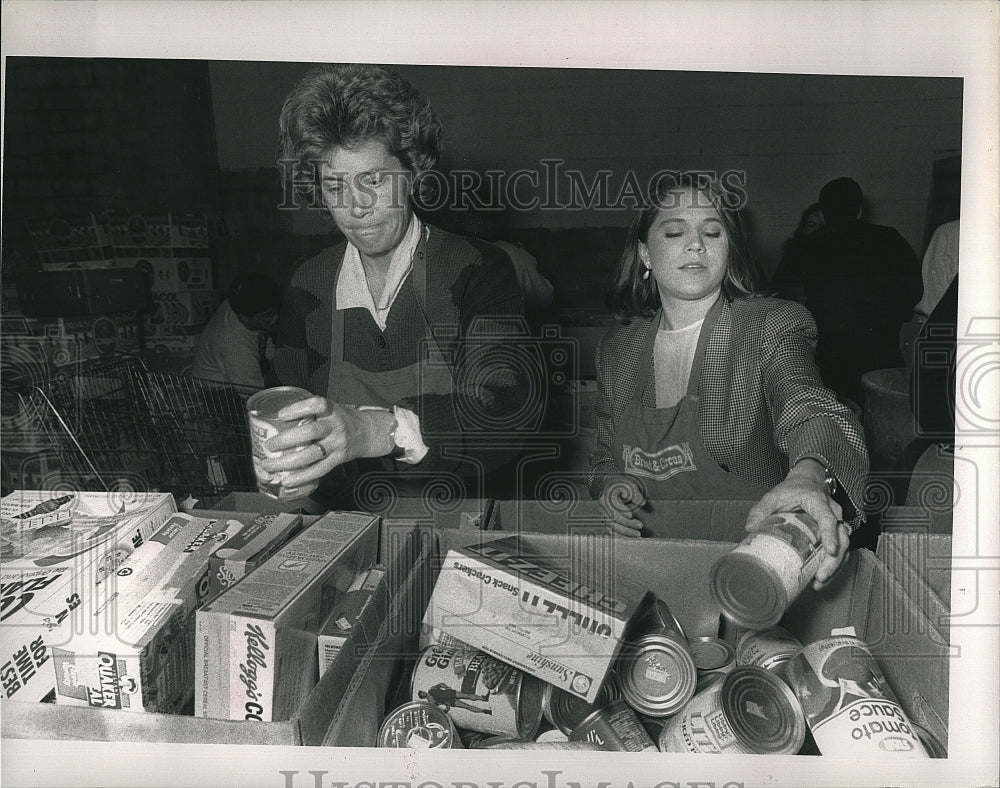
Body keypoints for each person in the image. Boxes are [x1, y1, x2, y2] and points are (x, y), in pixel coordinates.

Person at [590, 173, 869, 590]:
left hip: (753, 568)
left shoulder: (769, 326)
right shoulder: (617, 350)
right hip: (649, 567)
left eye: (712, 231)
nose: (696, 244)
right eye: (673, 231)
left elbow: (808, 404)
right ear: (645, 253)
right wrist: (610, 485)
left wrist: (810, 476)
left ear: (729, 249)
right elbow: (603, 455)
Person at [266, 64, 529, 506]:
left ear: (412, 172)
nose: (356, 208)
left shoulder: (475, 268)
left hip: (456, 513)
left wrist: (374, 431)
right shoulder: (309, 283)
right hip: (348, 518)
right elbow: (289, 410)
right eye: (335, 186)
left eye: (373, 179)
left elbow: (505, 410)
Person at [792, 177, 922, 404]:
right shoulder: (890, 239)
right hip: (881, 352)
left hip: (828, 357)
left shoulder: (810, 246)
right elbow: (914, 291)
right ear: (860, 211)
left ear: (822, 213)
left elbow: (789, 298)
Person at [189, 272, 280, 389]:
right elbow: (254, 394)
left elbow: (266, 344)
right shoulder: (235, 347)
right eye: (267, 315)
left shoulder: (241, 303)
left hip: (236, 369)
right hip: (216, 389)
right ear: (244, 317)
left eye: (275, 310)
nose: (276, 317)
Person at [769, 202, 824, 301]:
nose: (817, 230)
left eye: (822, 226)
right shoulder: (792, 255)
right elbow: (779, 288)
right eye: (812, 225)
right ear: (804, 229)